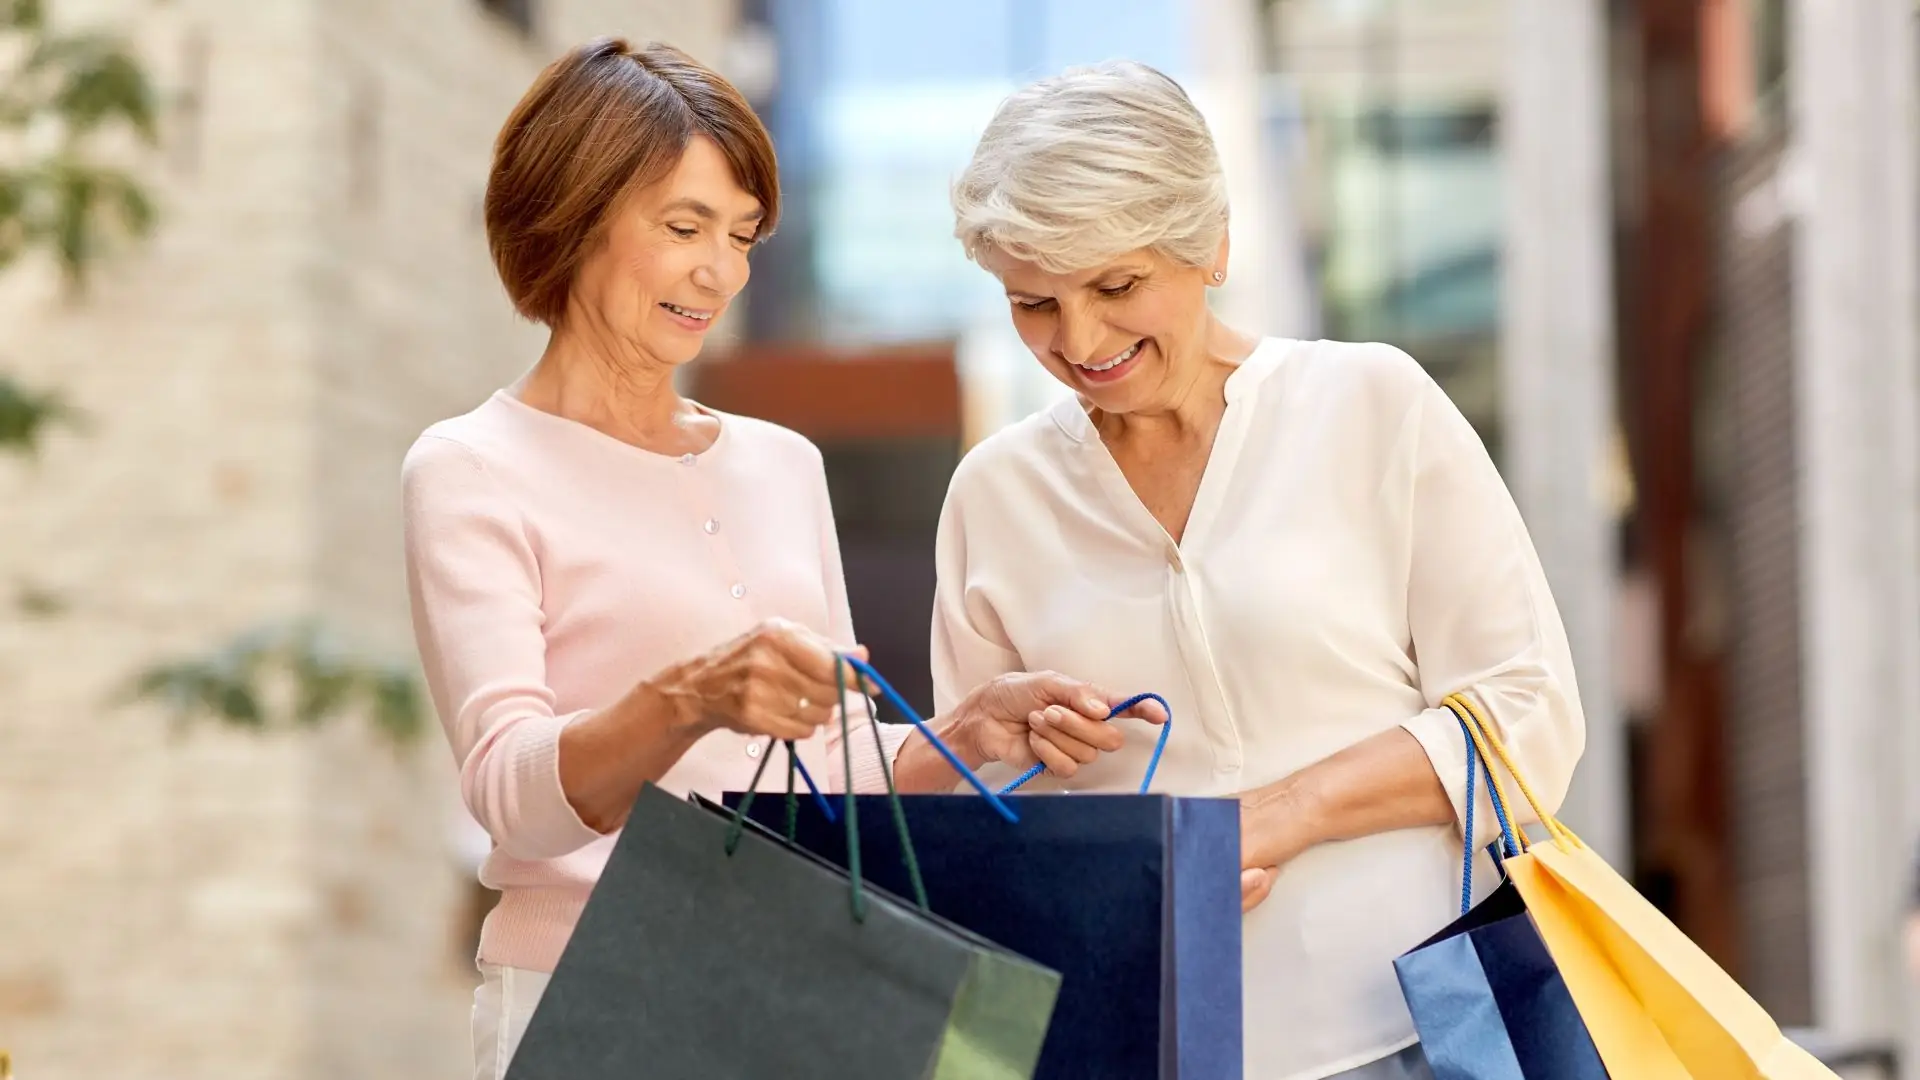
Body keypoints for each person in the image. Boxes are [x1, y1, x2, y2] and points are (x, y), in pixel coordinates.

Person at [401, 40, 1147, 1080]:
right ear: (573, 214)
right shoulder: (472, 467)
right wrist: (689, 696)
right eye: (683, 227)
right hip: (596, 997)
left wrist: (966, 736)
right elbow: (510, 791)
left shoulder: (783, 463)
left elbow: (835, 768)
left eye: (743, 236)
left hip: (800, 993)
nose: (721, 271)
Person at [936, 60, 1587, 1080]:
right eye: (1034, 303)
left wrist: (1270, 818)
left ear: (1212, 248)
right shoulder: (995, 494)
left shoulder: (1371, 405)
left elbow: (1528, 715)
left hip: (1422, 1034)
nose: (1079, 340)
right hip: (1142, 1044)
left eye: (1116, 285)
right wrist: (1006, 757)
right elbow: (980, 843)